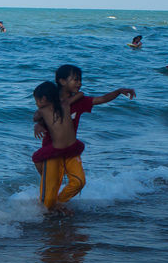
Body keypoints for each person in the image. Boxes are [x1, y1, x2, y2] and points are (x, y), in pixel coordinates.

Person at [31, 65, 136, 207]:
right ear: (62, 81)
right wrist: (39, 124)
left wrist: (118, 91)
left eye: (80, 79)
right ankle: (45, 214)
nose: (79, 83)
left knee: (79, 182)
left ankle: (59, 204)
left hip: (71, 148)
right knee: (49, 191)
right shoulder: (51, 100)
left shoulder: (79, 101)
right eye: (75, 79)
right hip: (52, 150)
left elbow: (102, 99)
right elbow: (44, 116)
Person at [31, 81, 81, 215]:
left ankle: (57, 201)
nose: (36, 104)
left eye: (36, 101)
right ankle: (48, 185)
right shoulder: (57, 106)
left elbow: (35, 116)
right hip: (61, 147)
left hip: (64, 147)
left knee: (36, 158)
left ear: (44, 99)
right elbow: (36, 117)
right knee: (37, 158)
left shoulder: (58, 106)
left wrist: (38, 119)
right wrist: (39, 123)